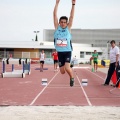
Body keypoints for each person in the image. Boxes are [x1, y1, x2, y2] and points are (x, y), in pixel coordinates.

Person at [53, 0, 76, 87]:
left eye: (64, 22)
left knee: (67, 68)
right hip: (59, 52)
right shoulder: (56, 27)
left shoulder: (68, 28)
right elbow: (54, 15)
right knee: (62, 72)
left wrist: (73, 4)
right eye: (61, 22)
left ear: (67, 23)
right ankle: (70, 66)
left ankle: (72, 78)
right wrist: (57, 3)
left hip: (67, 51)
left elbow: (72, 16)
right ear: (59, 22)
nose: (63, 23)